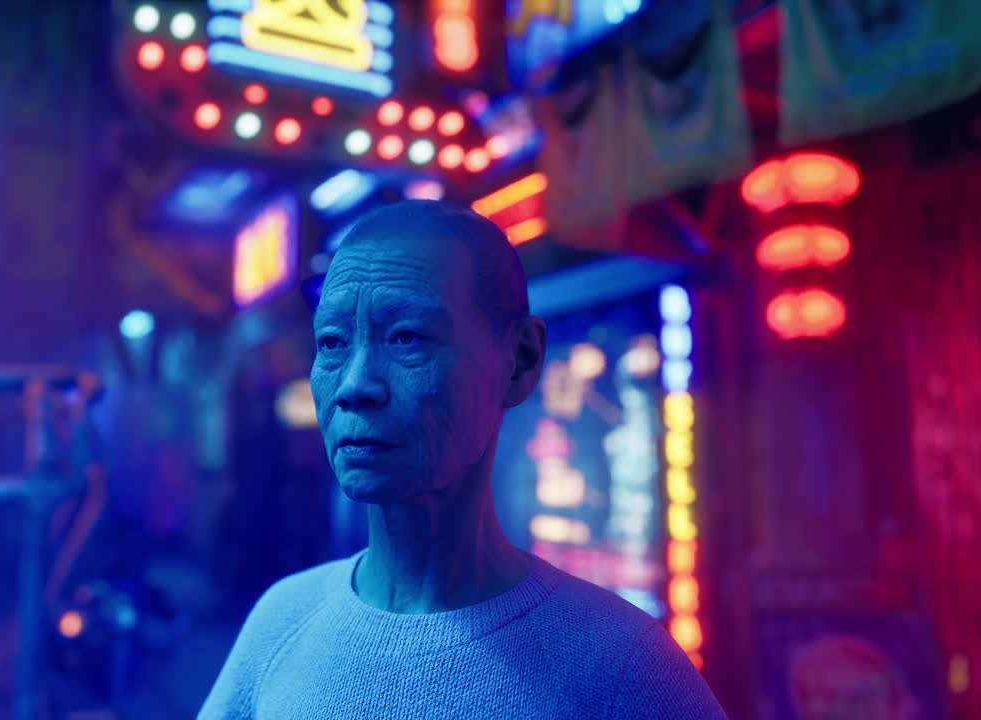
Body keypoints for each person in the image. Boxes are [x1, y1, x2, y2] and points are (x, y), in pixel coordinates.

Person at [198, 201, 728, 719]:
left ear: (520, 361)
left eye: (407, 337)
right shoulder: (282, 619)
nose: (355, 384)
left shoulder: (625, 668)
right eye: (332, 343)